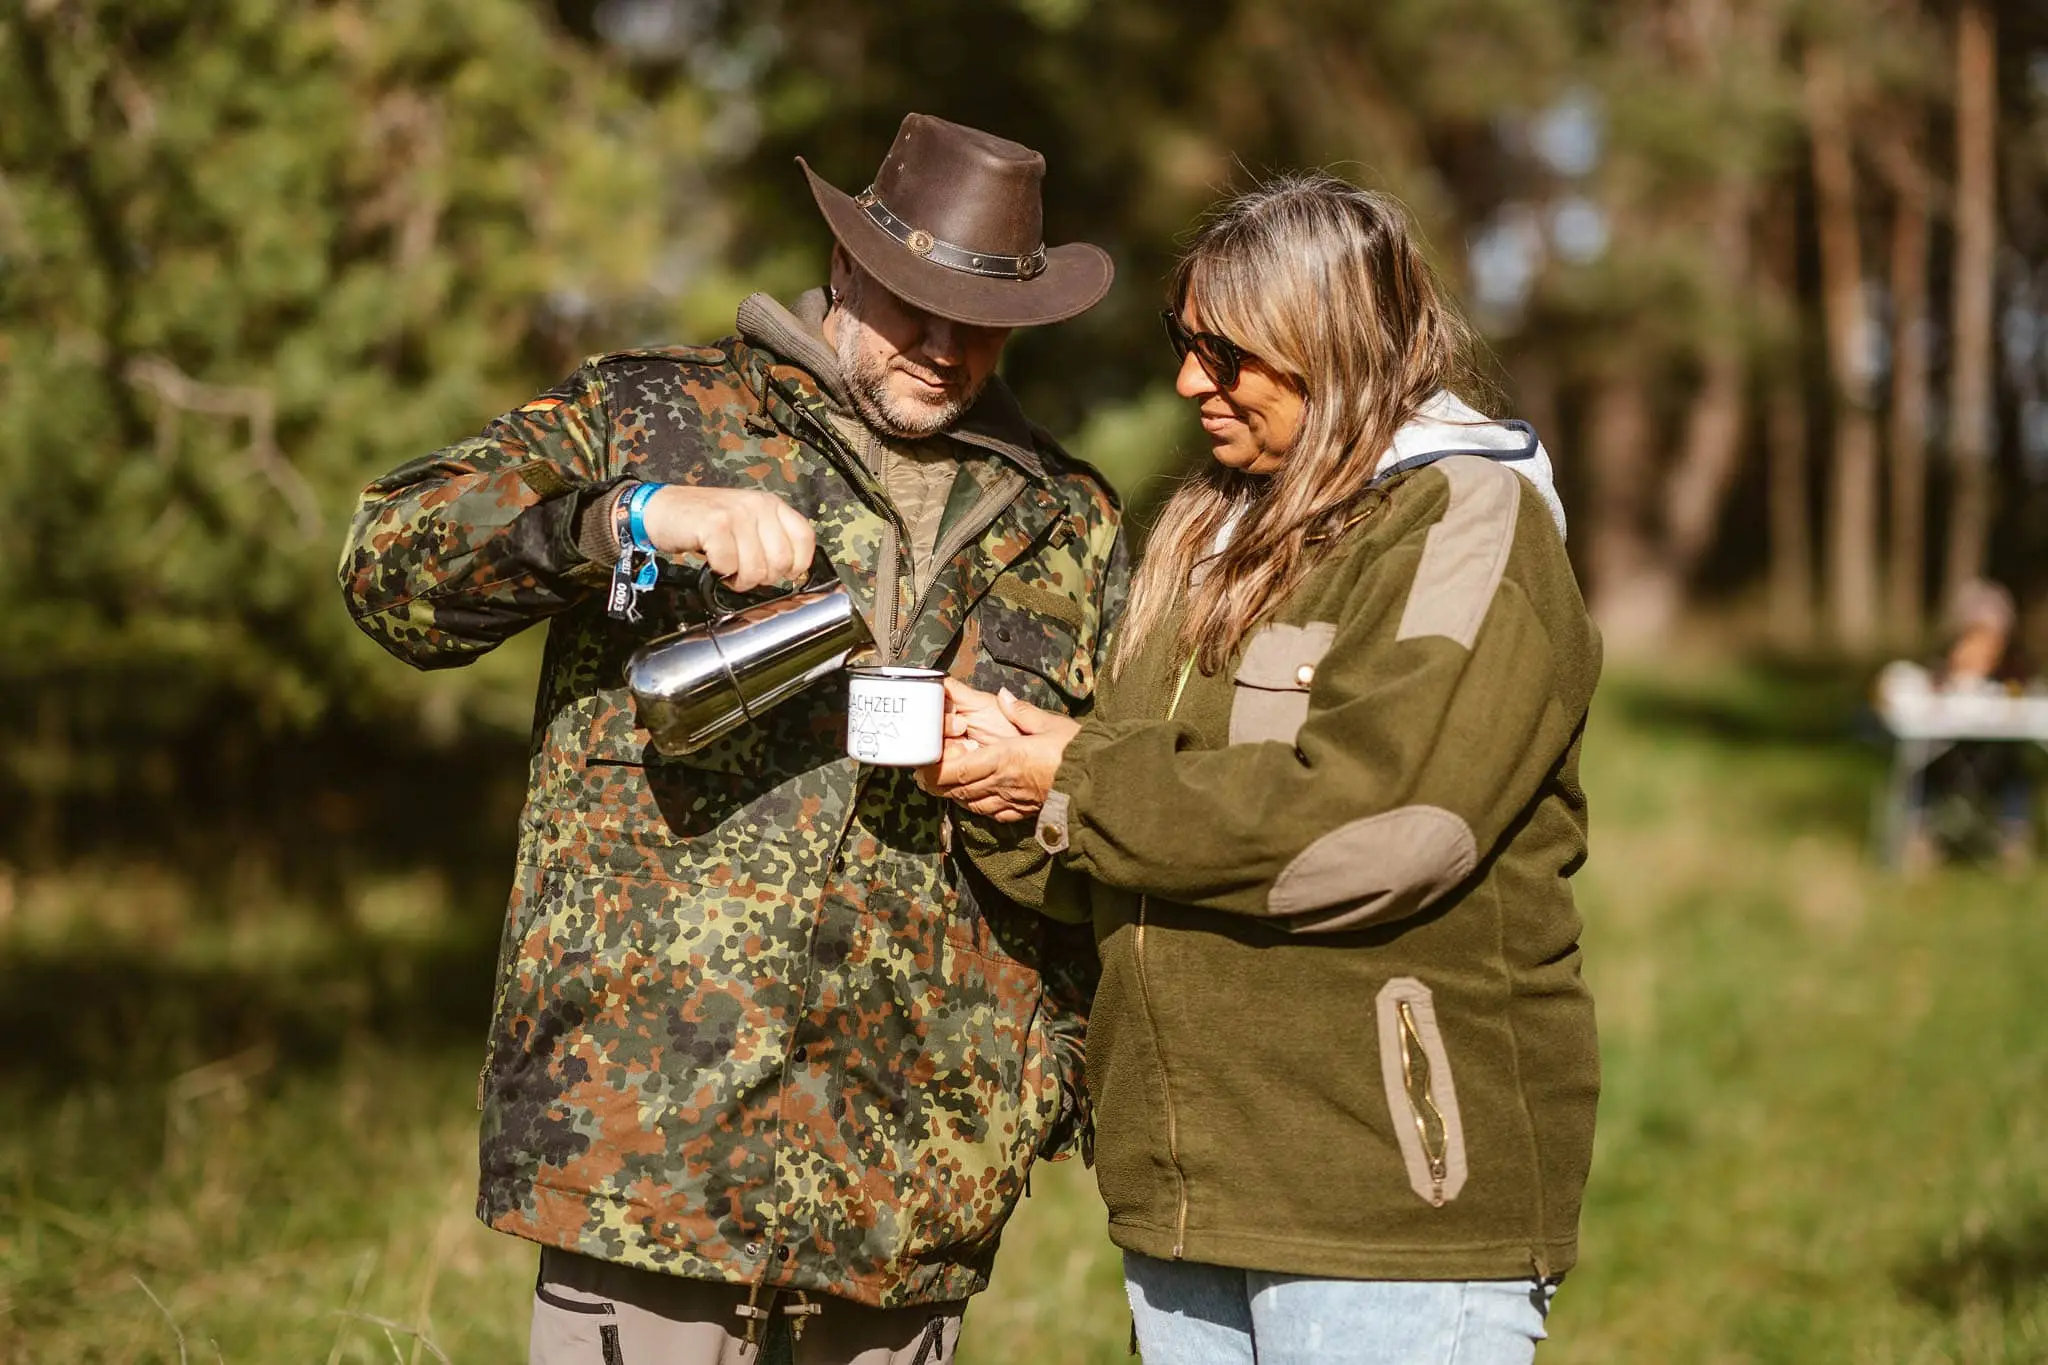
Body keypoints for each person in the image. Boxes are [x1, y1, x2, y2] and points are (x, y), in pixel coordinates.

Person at [338, 113, 1127, 1365]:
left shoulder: (1067, 519)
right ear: (846, 263)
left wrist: (1041, 779)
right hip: (648, 1145)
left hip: (911, 1177)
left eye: (978, 321)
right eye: (913, 299)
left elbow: (1110, 807)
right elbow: (390, 562)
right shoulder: (648, 413)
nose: (941, 346)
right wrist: (631, 517)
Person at [924, 173, 1601, 1364]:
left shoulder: (1465, 527)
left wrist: (1074, 783)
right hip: (1189, 1198)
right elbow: (1129, 855)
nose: (1189, 382)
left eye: (1225, 354)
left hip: (1380, 1210)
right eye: (1181, 343)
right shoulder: (1205, 536)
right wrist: (992, 782)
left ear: (1330, 346)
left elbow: (1382, 824)